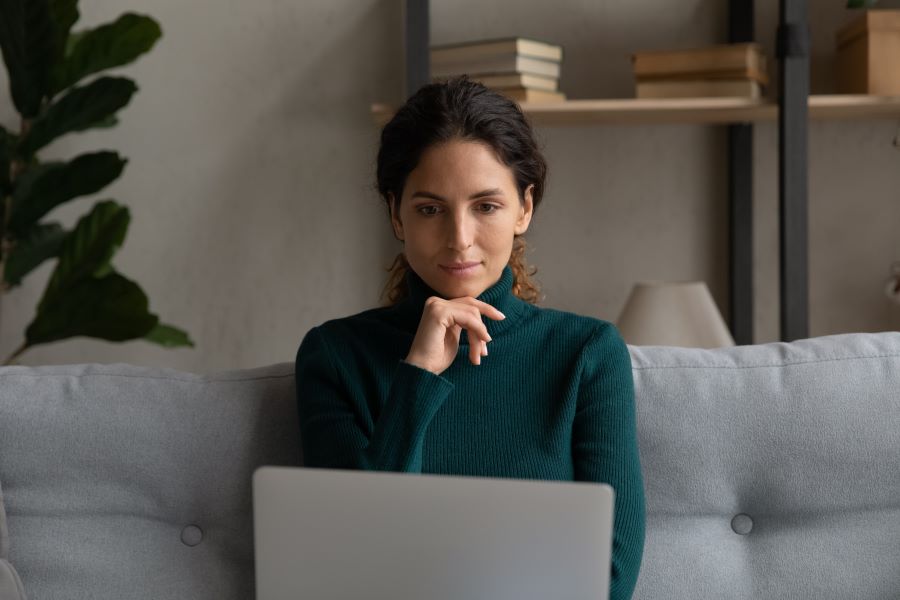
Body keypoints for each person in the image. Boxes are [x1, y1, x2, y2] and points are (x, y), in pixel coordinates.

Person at [294, 75, 645, 600]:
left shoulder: (587, 354)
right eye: (430, 209)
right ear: (396, 213)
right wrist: (416, 376)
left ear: (524, 208)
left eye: (486, 206)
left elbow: (610, 579)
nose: (459, 239)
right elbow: (356, 555)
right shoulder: (334, 356)